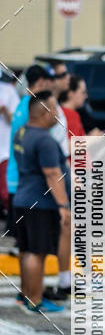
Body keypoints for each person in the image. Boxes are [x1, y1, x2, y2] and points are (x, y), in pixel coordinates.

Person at [12, 90, 70, 313]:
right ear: (44, 112)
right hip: (41, 203)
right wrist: (64, 206)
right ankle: (36, 299)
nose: (57, 114)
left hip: (22, 199)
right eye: (54, 109)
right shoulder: (45, 140)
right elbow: (52, 174)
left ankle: (28, 295)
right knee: (38, 252)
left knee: (27, 250)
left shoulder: (21, 133)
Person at [6, 65, 55, 250]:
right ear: (41, 82)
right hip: (26, 180)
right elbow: (35, 144)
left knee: (24, 243)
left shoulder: (21, 104)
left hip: (16, 177)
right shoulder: (32, 108)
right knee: (32, 246)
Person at [0, 73, 20, 216]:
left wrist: (5, 110)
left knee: (5, 190)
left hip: (4, 150)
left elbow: (16, 119)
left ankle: (12, 219)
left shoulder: (8, 91)